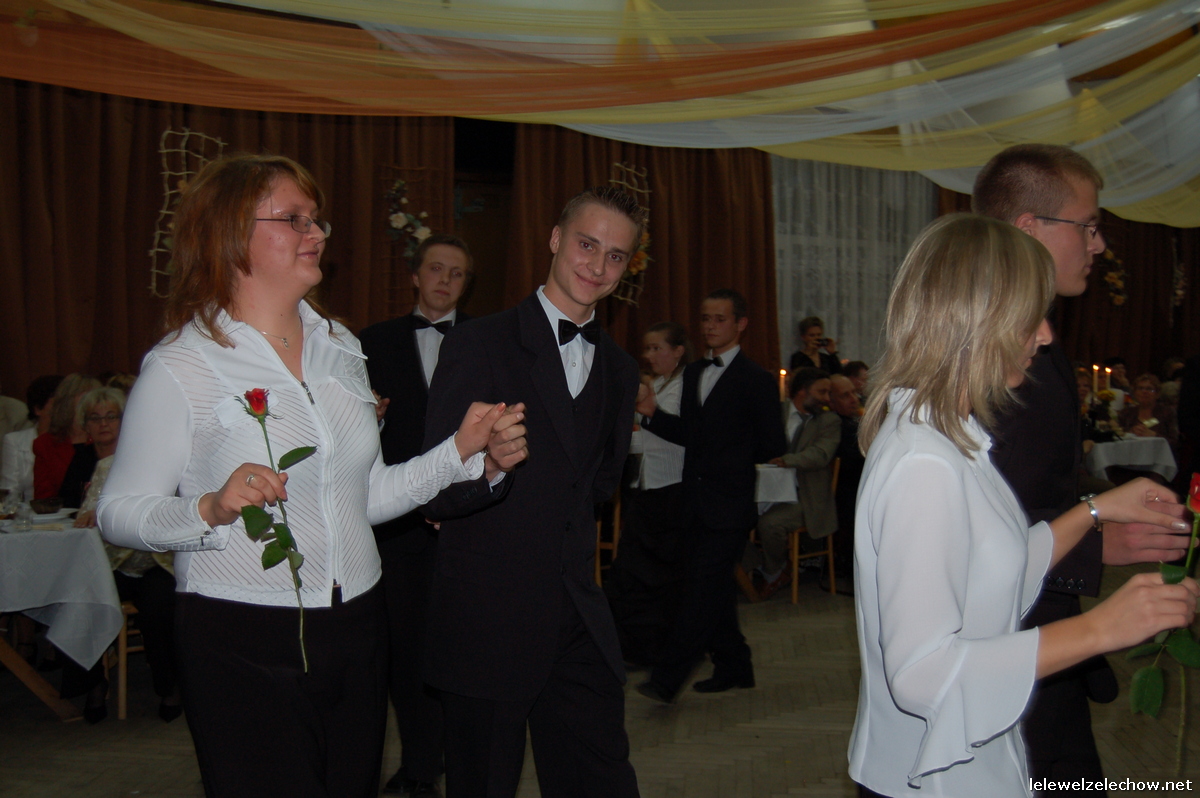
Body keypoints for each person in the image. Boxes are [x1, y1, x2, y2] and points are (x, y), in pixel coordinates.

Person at [97, 154, 526, 798]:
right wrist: (209, 509)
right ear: (229, 234)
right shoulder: (183, 363)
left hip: (358, 621)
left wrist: (462, 450)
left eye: (316, 219)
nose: (317, 232)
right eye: (293, 219)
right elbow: (118, 510)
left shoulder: (342, 348)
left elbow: (366, 496)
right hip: (240, 631)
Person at [848, 213, 1197, 798]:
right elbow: (921, 674)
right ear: (977, 320)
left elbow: (993, 567)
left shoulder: (950, 432)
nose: (1046, 335)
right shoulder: (925, 464)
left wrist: (1095, 510)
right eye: (1031, 316)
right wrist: (1100, 628)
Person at [973, 143, 1192, 792]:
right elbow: (980, 521)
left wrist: (1105, 513)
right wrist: (1096, 543)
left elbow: (1041, 481)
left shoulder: (1034, 336)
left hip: (1041, 628)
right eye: (1088, 226)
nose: (1098, 245)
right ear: (1029, 229)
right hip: (1007, 642)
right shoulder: (998, 354)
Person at [419, 186, 644, 798]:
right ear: (555, 239)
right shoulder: (479, 342)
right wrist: (487, 468)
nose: (597, 266)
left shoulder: (620, 369)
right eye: (587, 244)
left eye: (615, 256)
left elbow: (599, 486)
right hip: (488, 618)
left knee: (601, 779)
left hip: (577, 618)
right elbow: (431, 488)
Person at [358, 233, 475, 798]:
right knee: (405, 648)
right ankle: (421, 764)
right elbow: (351, 434)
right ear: (415, 275)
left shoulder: (484, 339)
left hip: (470, 518)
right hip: (398, 521)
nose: (444, 281)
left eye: (456, 273)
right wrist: (373, 420)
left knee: (466, 645)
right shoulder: (372, 341)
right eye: (435, 269)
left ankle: (468, 757)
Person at [634, 289, 786, 702]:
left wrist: (727, 452)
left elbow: (772, 442)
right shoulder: (695, 373)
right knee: (713, 589)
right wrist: (651, 415)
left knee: (700, 592)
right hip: (693, 501)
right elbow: (688, 434)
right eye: (705, 319)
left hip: (729, 503)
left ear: (740, 324)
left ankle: (667, 679)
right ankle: (735, 664)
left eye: (719, 319)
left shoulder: (756, 379)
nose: (710, 326)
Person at [606, 321, 692, 668]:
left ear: (678, 351)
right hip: (648, 487)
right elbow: (645, 437)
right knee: (631, 571)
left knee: (657, 575)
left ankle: (654, 649)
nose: (649, 355)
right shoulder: (655, 384)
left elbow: (689, 436)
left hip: (673, 490)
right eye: (647, 348)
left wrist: (650, 415)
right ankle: (630, 647)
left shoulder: (687, 386)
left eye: (657, 348)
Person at [746, 367, 839, 601]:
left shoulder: (829, 421)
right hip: (764, 490)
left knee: (770, 524)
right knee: (733, 517)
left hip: (804, 497)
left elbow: (820, 454)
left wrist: (787, 460)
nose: (827, 398)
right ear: (802, 392)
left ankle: (774, 572)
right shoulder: (776, 413)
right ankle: (751, 566)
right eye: (822, 392)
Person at [32, 373, 100, 500]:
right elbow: (43, 496)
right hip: (62, 511)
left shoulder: (104, 439)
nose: (92, 403)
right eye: (86, 397)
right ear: (67, 402)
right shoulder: (46, 444)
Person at [0, 374, 61, 500]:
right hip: (28, 509)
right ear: (38, 409)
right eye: (58, 405)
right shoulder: (15, 441)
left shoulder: (75, 440)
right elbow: (9, 492)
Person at [1117, 373, 1178, 450]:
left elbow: (1176, 442)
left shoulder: (1167, 412)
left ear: (1157, 394)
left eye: (1149, 389)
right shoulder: (1126, 413)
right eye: (1140, 388)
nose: (1144, 392)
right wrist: (1130, 433)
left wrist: (1155, 436)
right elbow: (1117, 438)